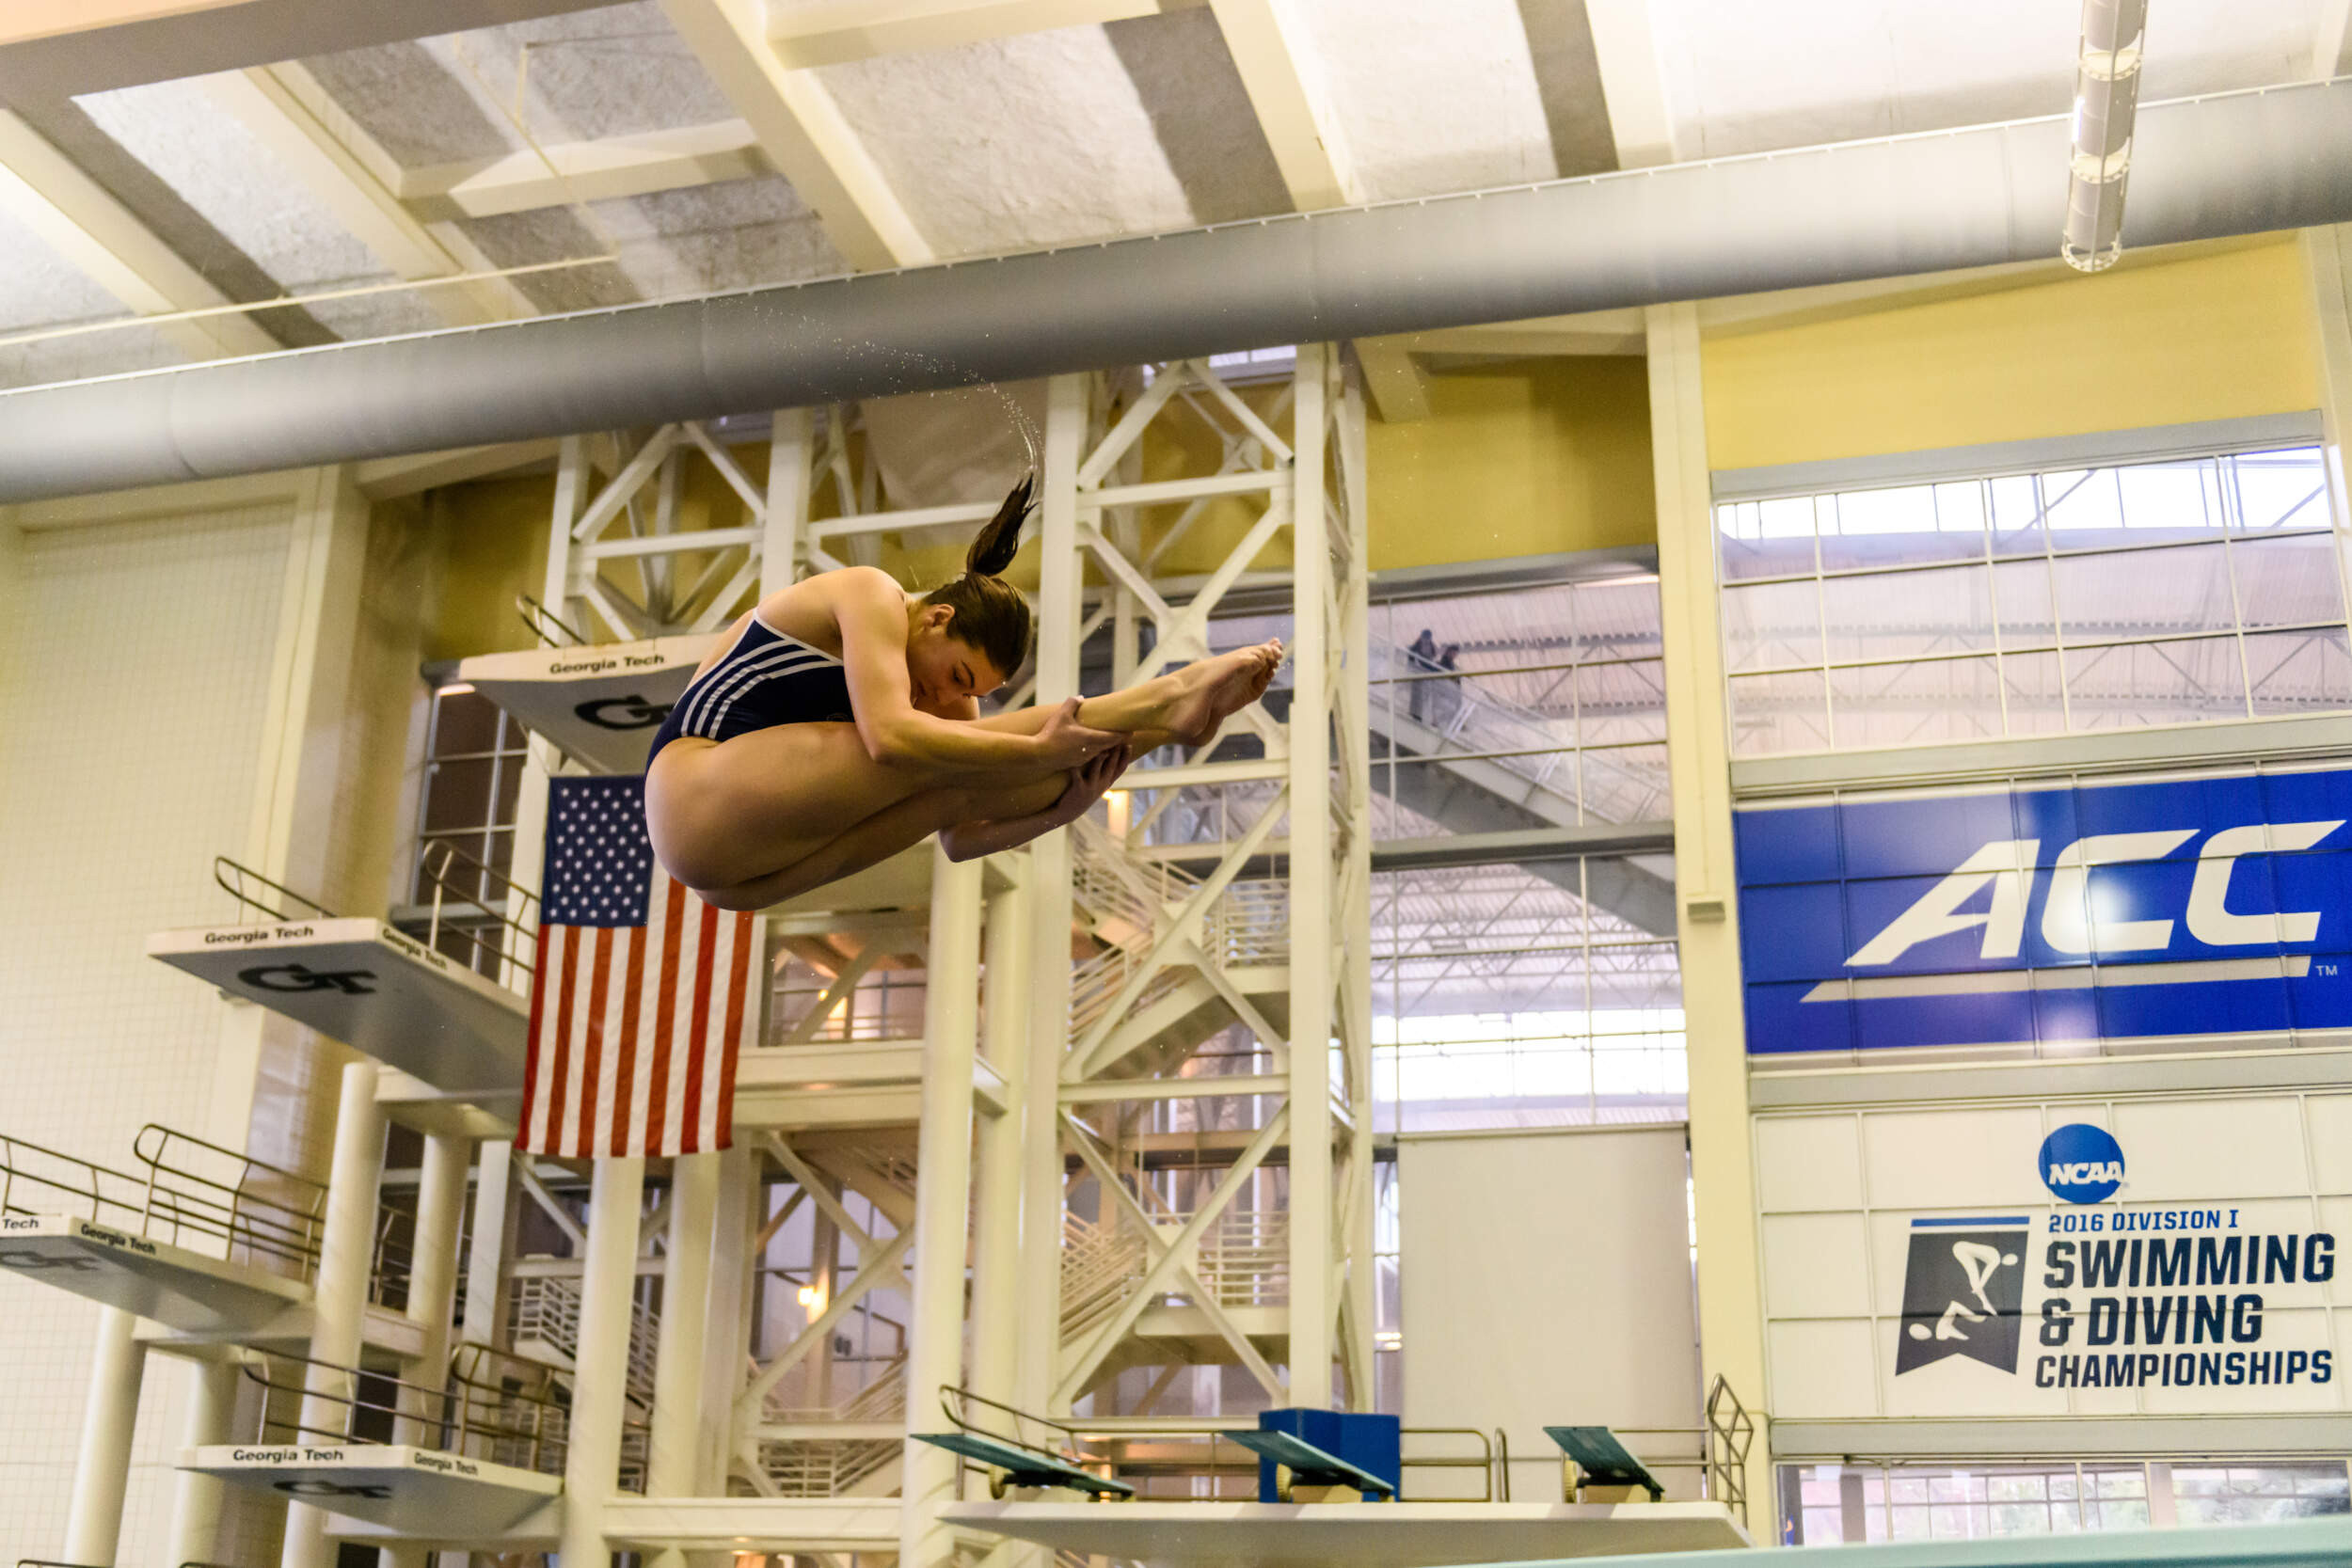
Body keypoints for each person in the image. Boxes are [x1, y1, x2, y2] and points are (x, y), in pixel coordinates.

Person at [644, 474, 1284, 911]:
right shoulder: (869, 594)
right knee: (930, 754)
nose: (947, 695)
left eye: (973, 690)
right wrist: (1040, 751)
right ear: (936, 618)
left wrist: (1063, 809)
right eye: (956, 675)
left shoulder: (944, 705)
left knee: (952, 787)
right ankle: (1166, 697)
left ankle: (1155, 731)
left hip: (742, 881)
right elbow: (887, 739)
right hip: (689, 797)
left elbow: (961, 837)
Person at [1406, 627, 1438, 721]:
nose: (1425, 640)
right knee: (1416, 694)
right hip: (1417, 673)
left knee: (1424, 695)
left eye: (1427, 638)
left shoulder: (1432, 647)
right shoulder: (1415, 647)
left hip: (1426, 674)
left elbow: (1431, 661)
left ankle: (1420, 713)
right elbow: (1411, 660)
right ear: (1421, 637)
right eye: (1424, 637)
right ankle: (1415, 713)